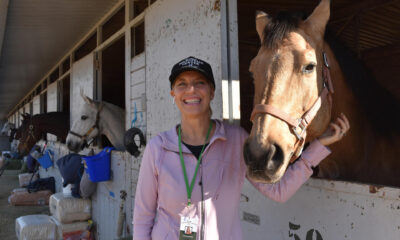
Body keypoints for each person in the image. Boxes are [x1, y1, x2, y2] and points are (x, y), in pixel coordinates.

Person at [133, 56, 350, 240]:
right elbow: (143, 218)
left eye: (200, 82)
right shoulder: (158, 148)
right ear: (173, 94)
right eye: (182, 83)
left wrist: (319, 147)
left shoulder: (236, 141)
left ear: (212, 91)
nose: (191, 89)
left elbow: (278, 190)